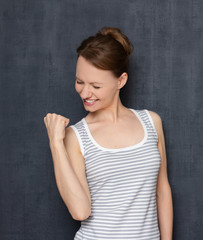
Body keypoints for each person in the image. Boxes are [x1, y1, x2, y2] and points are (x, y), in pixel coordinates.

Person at [43, 27, 173, 240]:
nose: (85, 93)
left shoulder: (152, 122)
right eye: (79, 82)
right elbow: (80, 211)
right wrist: (56, 143)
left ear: (120, 81)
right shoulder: (76, 137)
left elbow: (162, 190)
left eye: (95, 85)